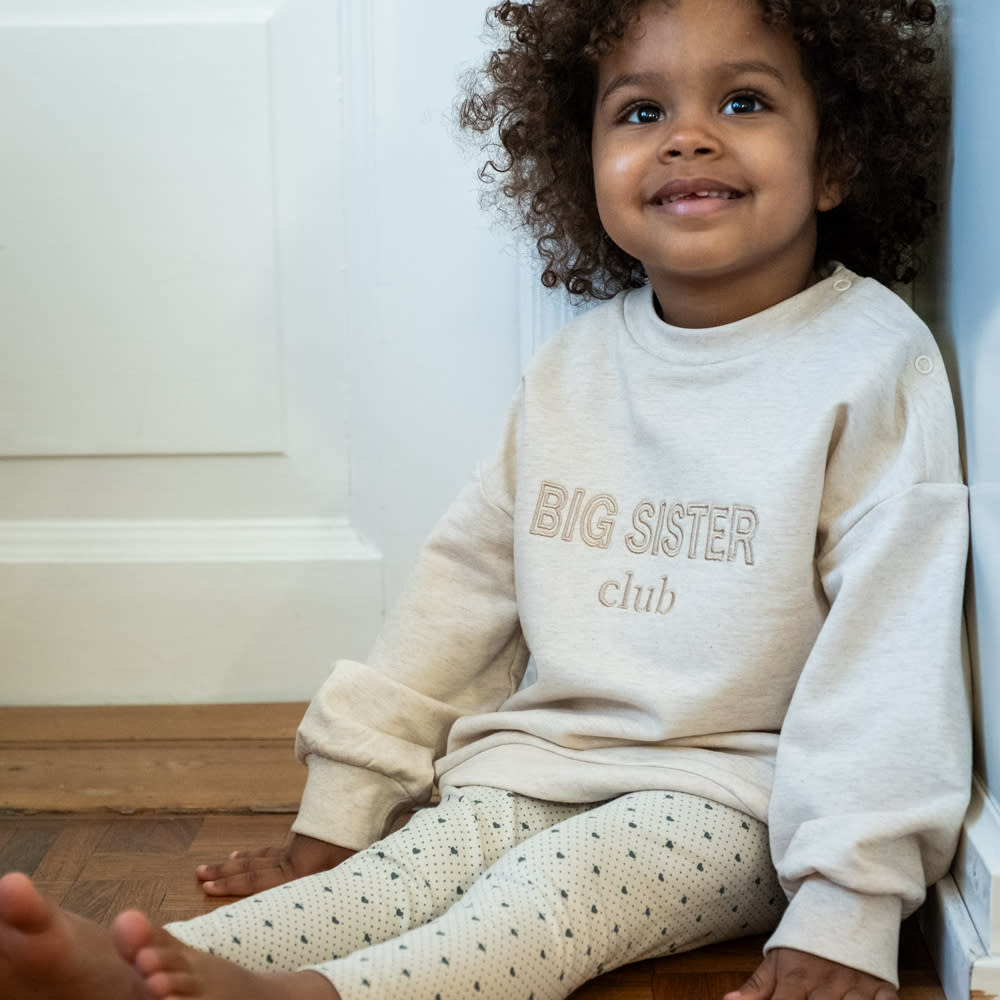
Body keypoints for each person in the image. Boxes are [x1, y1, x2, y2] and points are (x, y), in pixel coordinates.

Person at [0, 0, 971, 998]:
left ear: (834, 159)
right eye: (640, 112)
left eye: (743, 100)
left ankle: (300, 998)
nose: (687, 136)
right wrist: (342, 809)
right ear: (582, 160)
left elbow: (890, 655)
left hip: (740, 798)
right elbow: (462, 588)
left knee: (551, 893)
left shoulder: (869, 363)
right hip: (538, 763)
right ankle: (139, 963)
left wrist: (846, 905)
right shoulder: (573, 369)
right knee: (406, 867)